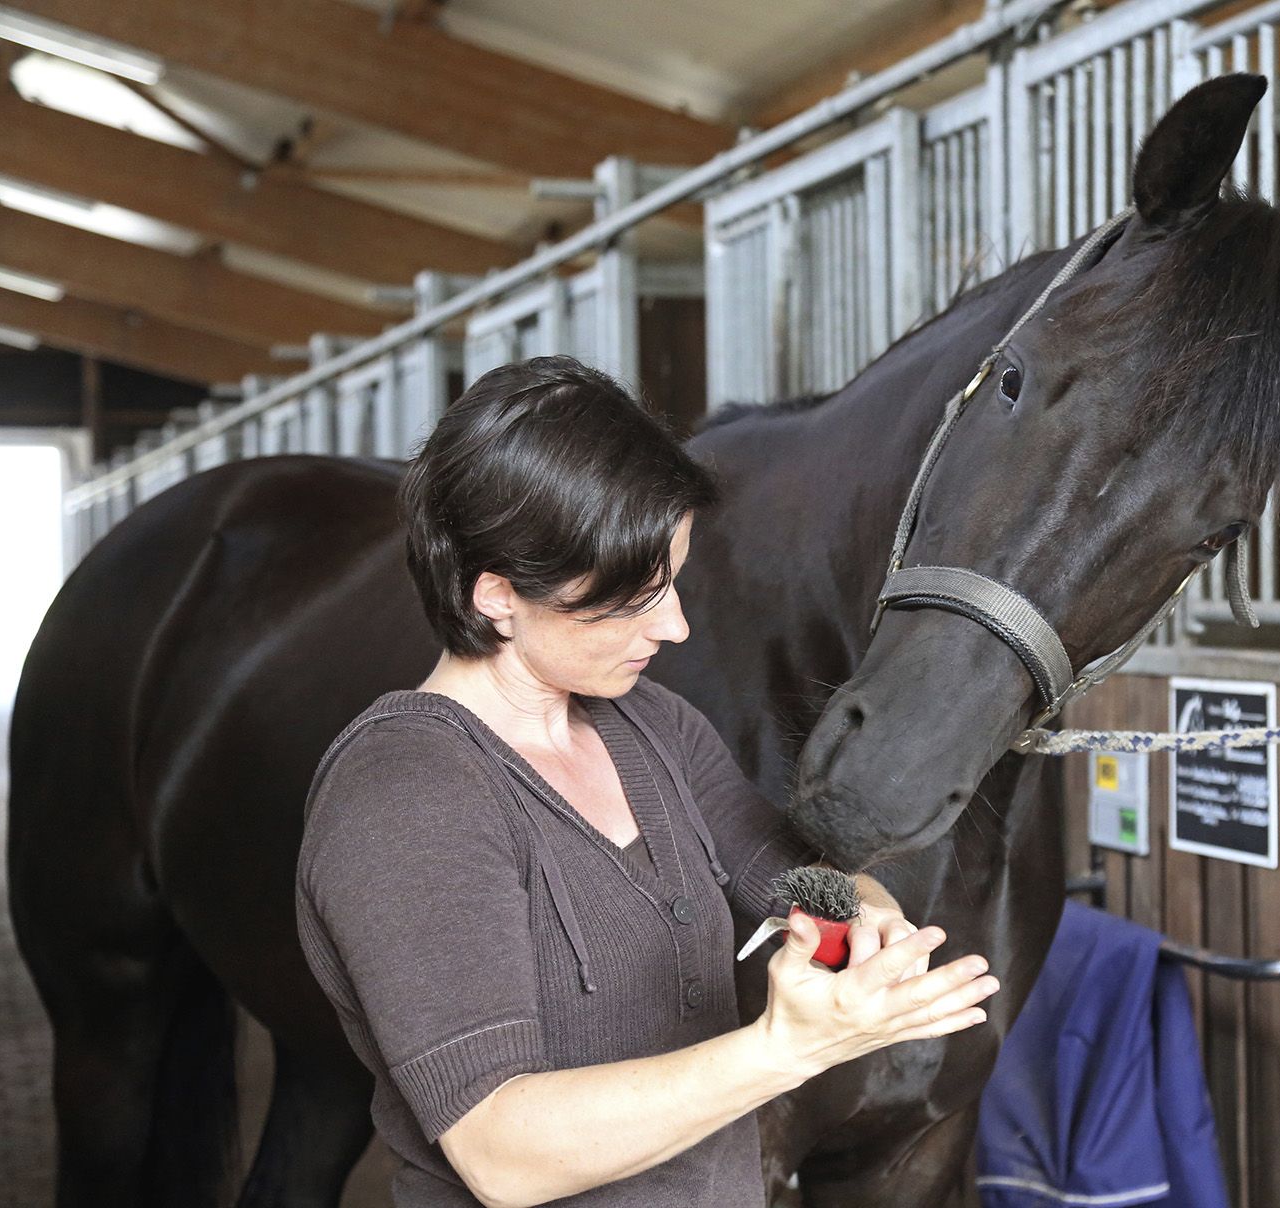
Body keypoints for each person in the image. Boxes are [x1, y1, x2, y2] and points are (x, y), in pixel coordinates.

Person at [295, 357, 999, 1208]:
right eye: (633, 597)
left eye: (672, 578)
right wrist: (785, 1048)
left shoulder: (650, 724)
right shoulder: (406, 795)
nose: (675, 624)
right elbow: (500, 1152)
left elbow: (791, 878)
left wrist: (865, 925)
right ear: (498, 597)